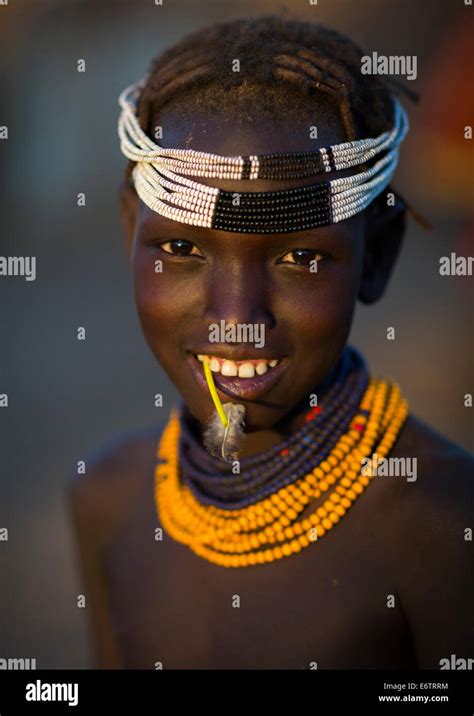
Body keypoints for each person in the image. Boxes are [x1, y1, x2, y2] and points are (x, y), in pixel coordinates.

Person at [68, 15, 474, 669]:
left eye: (302, 259)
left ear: (378, 254)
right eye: (181, 247)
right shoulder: (105, 496)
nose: (236, 316)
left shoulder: (441, 519)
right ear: (128, 231)